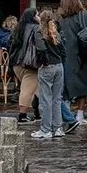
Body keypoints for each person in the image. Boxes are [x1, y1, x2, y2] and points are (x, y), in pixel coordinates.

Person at [58, 0, 87, 131]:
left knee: (65, 88)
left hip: (66, 57)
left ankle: (66, 115)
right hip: (83, 57)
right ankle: (79, 114)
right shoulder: (86, 16)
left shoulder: (61, 20)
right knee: (83, 86)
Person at [30, 9, 65, 140]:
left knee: (46, 99)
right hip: (59, 66)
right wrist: (61, 62)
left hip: (47, 67)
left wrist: (44, 63)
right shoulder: (55, 32)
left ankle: (45, 129)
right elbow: (63, 50)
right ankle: (58, 128)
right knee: (57, 99)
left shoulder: (39, 32)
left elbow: (41, 49)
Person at [9, 7, 39, 125]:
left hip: (17, 63)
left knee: (36, 88)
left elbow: (11, 45)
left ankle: (38, 112)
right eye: (37, 15)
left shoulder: (18, 28)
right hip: (29, 63)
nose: (39, 17)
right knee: (27, 89)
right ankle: (22, 115)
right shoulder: (35, 28)